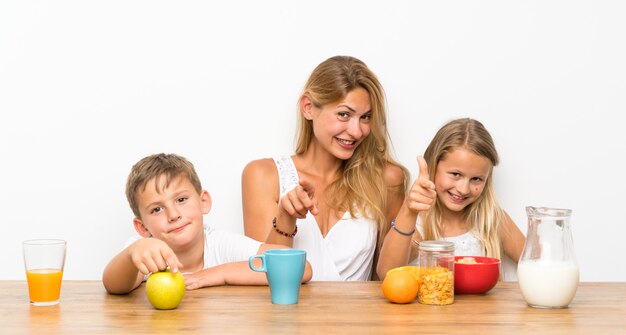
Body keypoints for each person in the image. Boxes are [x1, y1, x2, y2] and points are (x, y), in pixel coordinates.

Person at [242, 55, 409, 281]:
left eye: (365, 117)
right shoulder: (263, 175)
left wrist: (412, 211)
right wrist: (285, 217)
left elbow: (389, 275)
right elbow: (264, 278)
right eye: (344, 114)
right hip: (287, 316)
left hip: (361, 316)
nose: (356, 131)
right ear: (308, 108)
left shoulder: (386, 179)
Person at [103, 153, 312, 294]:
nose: (173, 214)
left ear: (203, 202)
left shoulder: (219, 244)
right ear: (142, 228)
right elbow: (113, 285)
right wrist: (132, 256)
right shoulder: (142, 252)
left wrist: (216, 274)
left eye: (181, 200)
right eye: (157, 209)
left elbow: (301, 269)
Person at [377, 118, 525, 279]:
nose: (463, 189)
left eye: (476, 179)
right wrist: (409, 210)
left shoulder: (491, 220)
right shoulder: (417, 225)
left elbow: (537, 261)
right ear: (433, 165)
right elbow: (386, 273)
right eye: (456, 174)